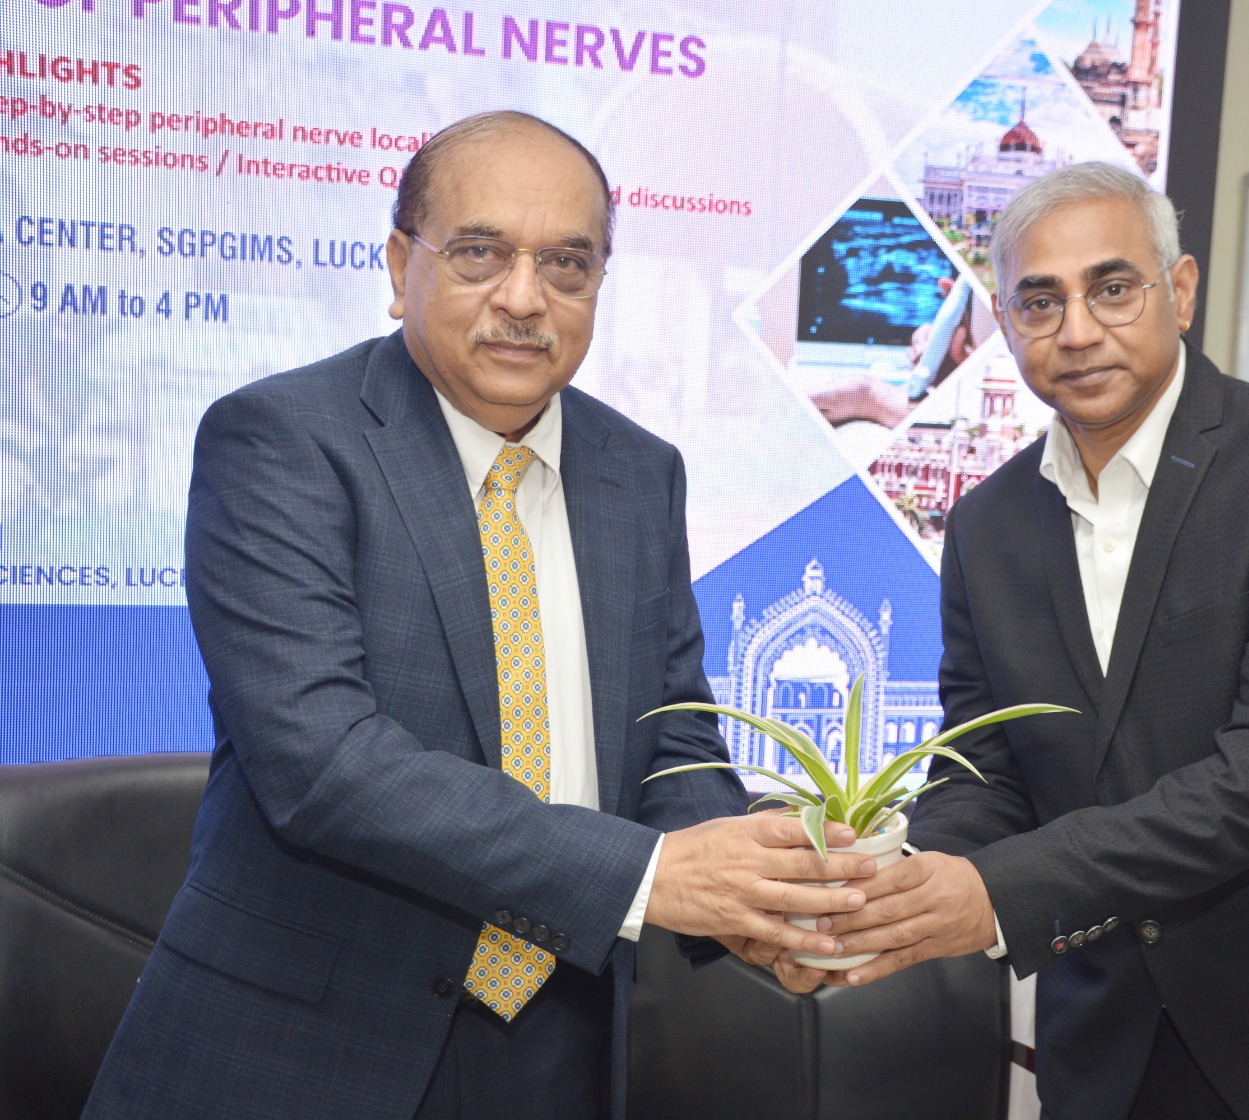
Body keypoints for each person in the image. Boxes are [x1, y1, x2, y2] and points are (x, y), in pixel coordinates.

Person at [82, 111, 872, 1120]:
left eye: (566, 264)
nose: (524, 298)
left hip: (561, 1040)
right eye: (480, 253)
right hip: (303, 1049)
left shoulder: (641, 472)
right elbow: (322, 762)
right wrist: (650, 875)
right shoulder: (281, 439)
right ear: (398, 264)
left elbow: (670, 734)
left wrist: (753, 896)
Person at [803, 162, 1249, 1119]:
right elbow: (988, 769)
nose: (1077, 330)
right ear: (1004, 324)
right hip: (1109, 1044)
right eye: (1039, 302)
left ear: (1179, 291)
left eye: (1112, 288)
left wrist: (995, 891)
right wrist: (900, 884)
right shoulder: (986, 522)